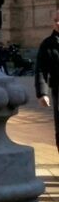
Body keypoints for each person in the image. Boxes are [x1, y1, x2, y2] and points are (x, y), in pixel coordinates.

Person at [36, 9, 59, 151]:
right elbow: (41, 69)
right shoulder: (48, 44)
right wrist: (42, 93)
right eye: (55, 20)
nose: (57, 23)